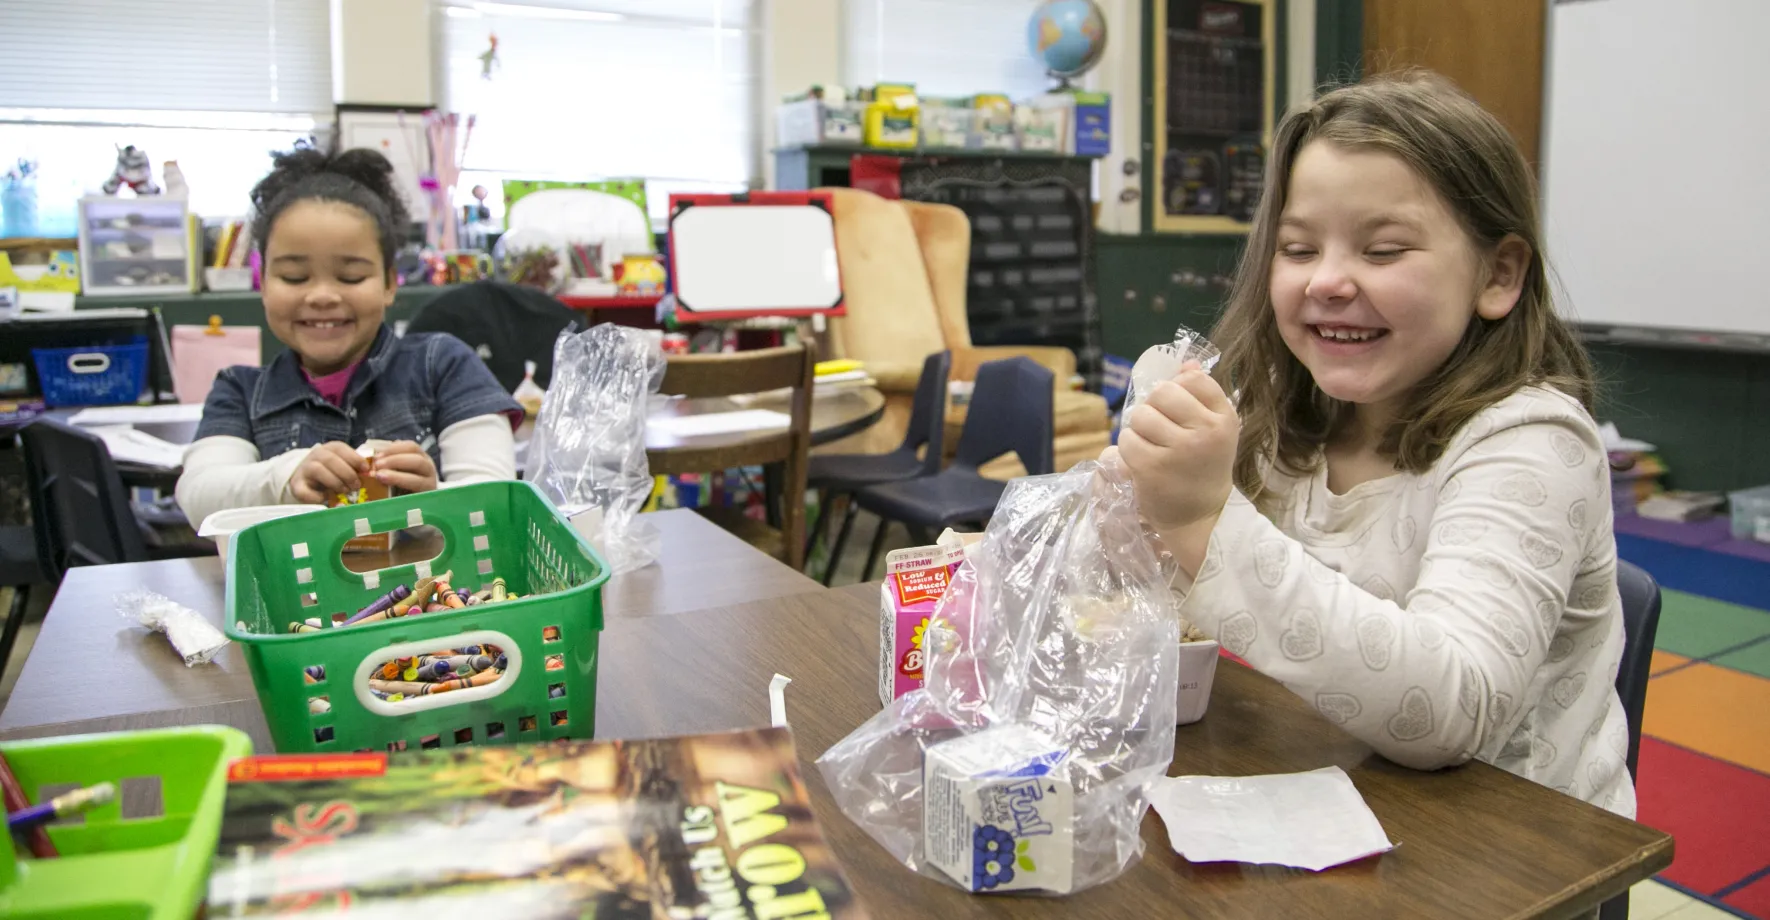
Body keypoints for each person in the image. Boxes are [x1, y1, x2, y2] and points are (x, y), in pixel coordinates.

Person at [1110, 72, 1634, 818]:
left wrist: (1201, 521)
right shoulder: (1287, 414)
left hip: (1511, 852)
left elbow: (1450, 712)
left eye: (1383, 251)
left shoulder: (1532, 443)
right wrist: (1133, 505)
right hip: (1326, 803)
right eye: (1297, 249)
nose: (1326, 281)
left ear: (1499, 274)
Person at [176, 148, 521, 528]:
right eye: (294, 277)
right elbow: (198, 495)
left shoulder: (444, 365)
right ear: (264, 285)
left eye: (351, 277)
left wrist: (432, 500)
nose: (322, 296)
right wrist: (288, 475)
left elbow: (496, 500)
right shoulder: (239, 391)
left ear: (390, 283)